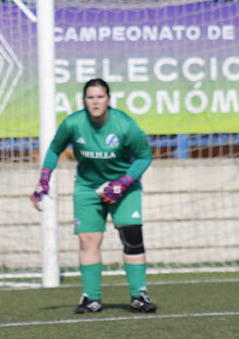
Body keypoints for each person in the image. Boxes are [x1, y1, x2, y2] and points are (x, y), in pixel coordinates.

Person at [31, 78, 156, 314]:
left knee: (132, 237)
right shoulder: (73, 123)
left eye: (100, 97)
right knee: (88, 240)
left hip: (124, 187)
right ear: (84, 100)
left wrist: (123, 183)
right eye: (90, 97)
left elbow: (144, 156)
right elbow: (54, 149)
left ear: (108, 99)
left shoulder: (126, 125)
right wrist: (43, 181)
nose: (95, 101)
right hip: (87, 188)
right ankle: (91, 297)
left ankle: (139, 294)